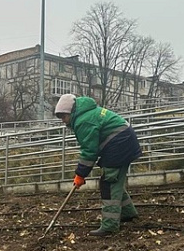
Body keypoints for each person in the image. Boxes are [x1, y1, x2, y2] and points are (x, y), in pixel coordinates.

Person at [54, 94, 142, 236]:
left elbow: (89, 151)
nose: (63, 122)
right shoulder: (86, 113)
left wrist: (80, 174)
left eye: (63, 117)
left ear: (70, 112)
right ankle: (128, 213)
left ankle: (109, 225)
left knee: (109, 183)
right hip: (123, 141)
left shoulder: (83, 121)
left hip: (120, 144)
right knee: (114, 180)